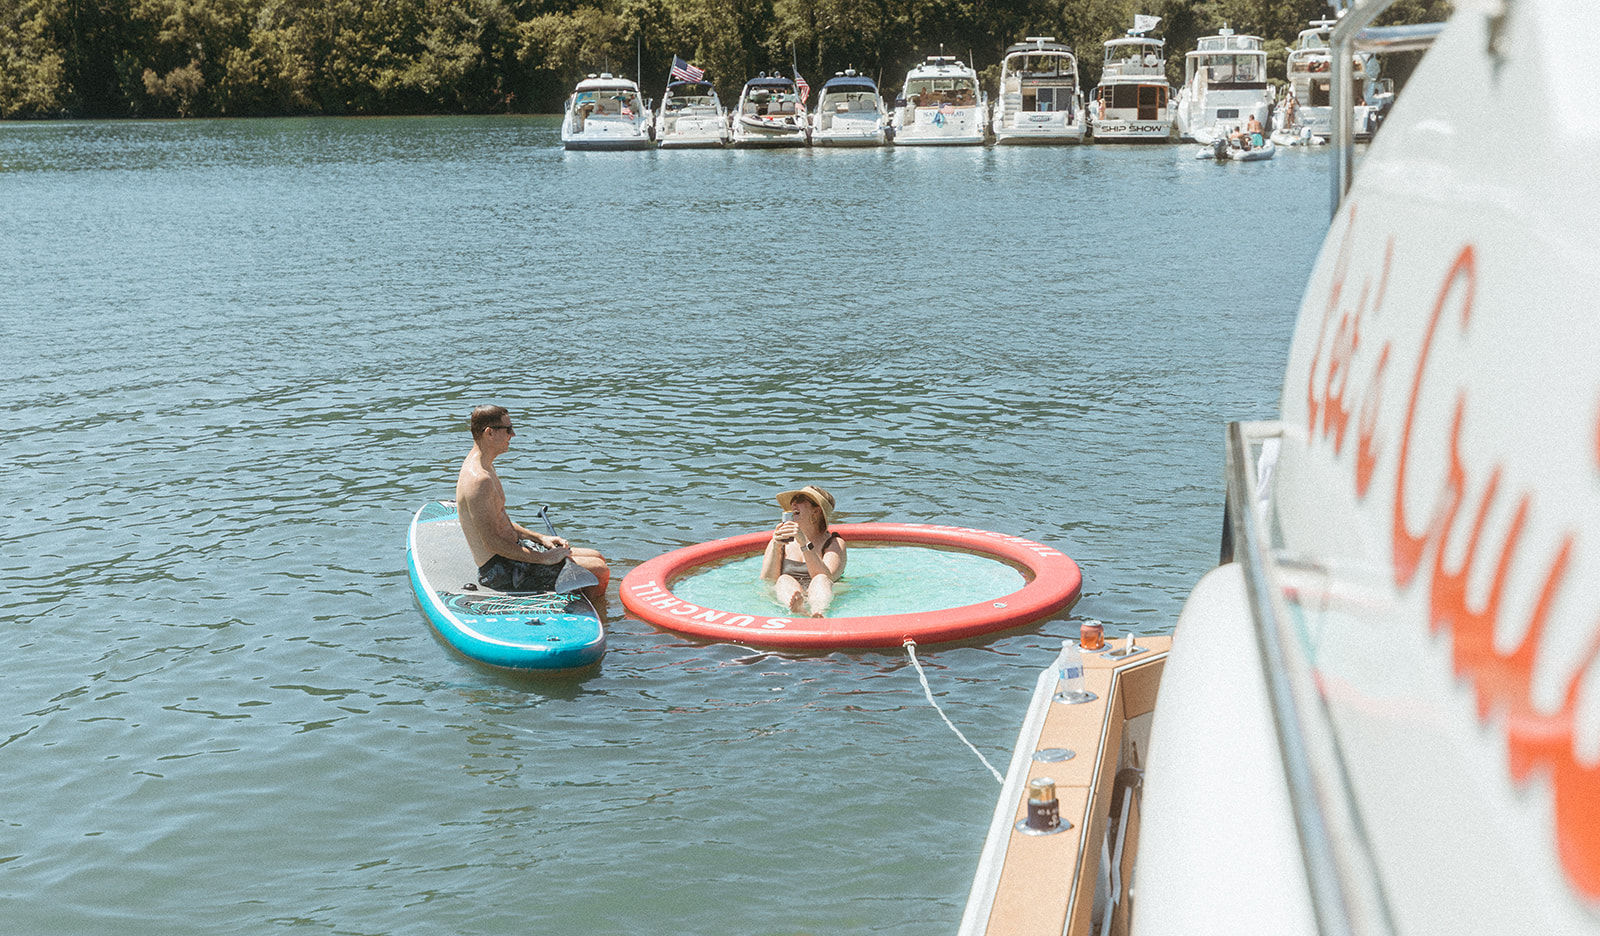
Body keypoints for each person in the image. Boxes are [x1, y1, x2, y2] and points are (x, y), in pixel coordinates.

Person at [455, 405, 610, 601]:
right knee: (600, 570)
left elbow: (499, 521)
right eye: (508, 429)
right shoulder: (479, 480)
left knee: (597, 556)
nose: (513, 434)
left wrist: (540, 538)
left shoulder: (485, 465)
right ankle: (602, 622)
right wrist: (544, 559)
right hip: (500, 570)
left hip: (514, 552)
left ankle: (579, 595)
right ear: (490, 433)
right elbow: (492, 542)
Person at [760, 485, 847, 617]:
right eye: (793, 499)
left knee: (821, 579)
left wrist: (804, 543)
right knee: (783, 579)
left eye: (801, 499)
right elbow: (768, 580)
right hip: (791, 595)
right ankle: (799, 610)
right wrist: (775, 544)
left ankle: (818, 613)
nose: (793, 503)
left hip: (821, 594)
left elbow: (829, 577)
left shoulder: (834, 543)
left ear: (816, 511)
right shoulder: (783, 541)